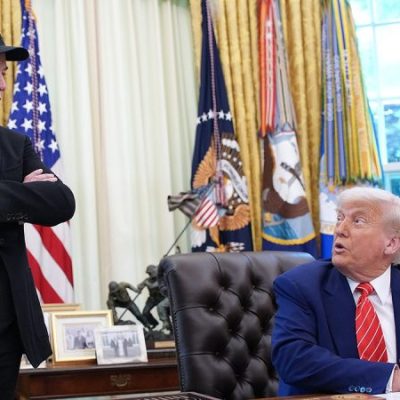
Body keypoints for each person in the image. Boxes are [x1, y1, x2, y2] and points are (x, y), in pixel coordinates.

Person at [0, 35, 75, 398]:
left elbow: (61, 202)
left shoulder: (15, 145)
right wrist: (20, 190)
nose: (3, 85)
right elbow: (37, 200)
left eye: (3, 73)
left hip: (6, 324)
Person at [272, 186, 400, 395]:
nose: (340, 229)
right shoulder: (300, 285)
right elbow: (293, 359)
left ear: (391, 244)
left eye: (358, 221)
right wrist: (389, 378)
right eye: (340, 218)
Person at [137, 264, 170, 330]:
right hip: (152, 299)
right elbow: (139, 286)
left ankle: (168, 325)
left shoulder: (162, 278)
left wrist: (146, 283)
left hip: (162, 298)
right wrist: (140, 287)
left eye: (150, 273)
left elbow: (152, 286)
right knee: (145, 312)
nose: (149, 275)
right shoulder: (148, 280)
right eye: (148, 273)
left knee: (163, 309)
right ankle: (154, 323)